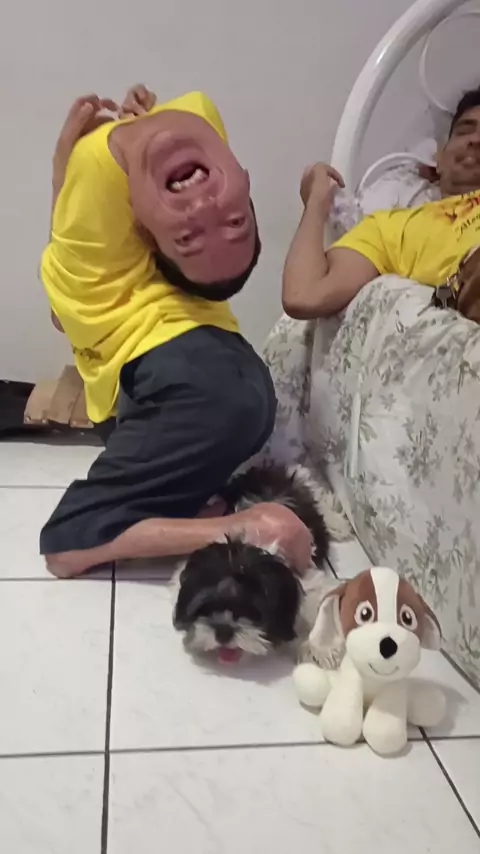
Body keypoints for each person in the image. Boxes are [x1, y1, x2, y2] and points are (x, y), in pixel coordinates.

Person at [40, 85, 312, 578]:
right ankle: (194, 524)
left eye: (230, 223)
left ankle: (177, 504)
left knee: (239, 397)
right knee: (222, 395)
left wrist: (74, 172)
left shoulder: (187, 124)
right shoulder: (173, 131)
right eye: (232, 221)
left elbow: (64, 305)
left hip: (206, 370)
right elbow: (63, 309)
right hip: (178, 380)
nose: (204, 206)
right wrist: (67, 175)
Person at [283, 86, 480, 319]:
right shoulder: (392, 228)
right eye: (464, 131)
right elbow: (304, 295)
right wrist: (316, 201)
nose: (476, 140)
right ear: (439, 159)